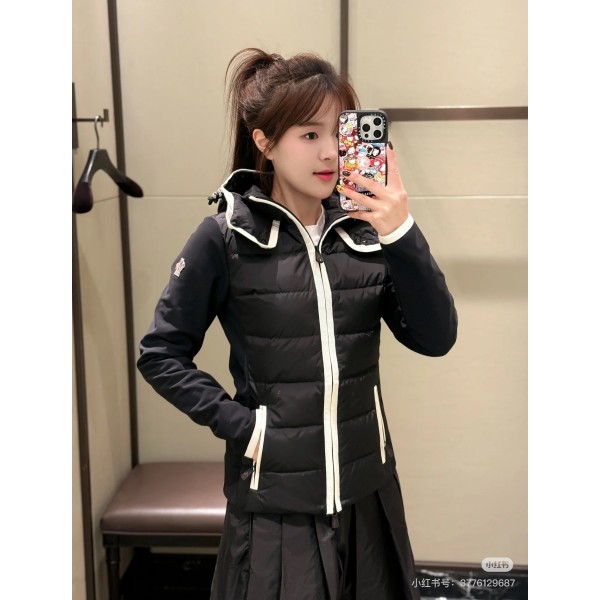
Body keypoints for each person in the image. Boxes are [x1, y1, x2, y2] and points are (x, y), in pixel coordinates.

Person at [137, 47, 458, 600]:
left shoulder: (365, 234)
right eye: (310, 135)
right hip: (276, 512)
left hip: (367, 495)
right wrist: (245, 427)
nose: (330, 151)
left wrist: (401, 232)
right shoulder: (226, 238)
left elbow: (436, 338)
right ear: (264, 141)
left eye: (338, 132)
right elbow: (160, 354)